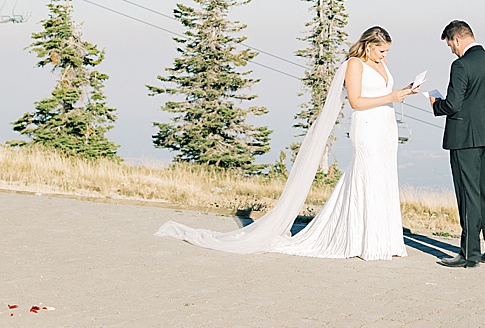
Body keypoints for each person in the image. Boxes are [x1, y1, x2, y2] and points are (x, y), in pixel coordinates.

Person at [155, 24, 420, 257]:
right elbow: (356, 101)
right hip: (367, 127)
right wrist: (391, 97)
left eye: (386, 52)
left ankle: (383, 238)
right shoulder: (354, 64)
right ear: (369, 46)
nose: (385, 56)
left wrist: (403, 93)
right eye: (381, 51)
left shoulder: (380, 63)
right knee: (366, 176)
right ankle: (360, 241)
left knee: (383, 178)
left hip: (386, 127)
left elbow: (385, 92)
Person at [431, 20, 485, 267]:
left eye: (450, 45)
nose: (451, 50)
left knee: (468, 194)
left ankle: (469, 254)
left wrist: (435, 104)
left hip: (464, 139)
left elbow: (452, 104)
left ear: (457, 39)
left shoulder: (461, 65)